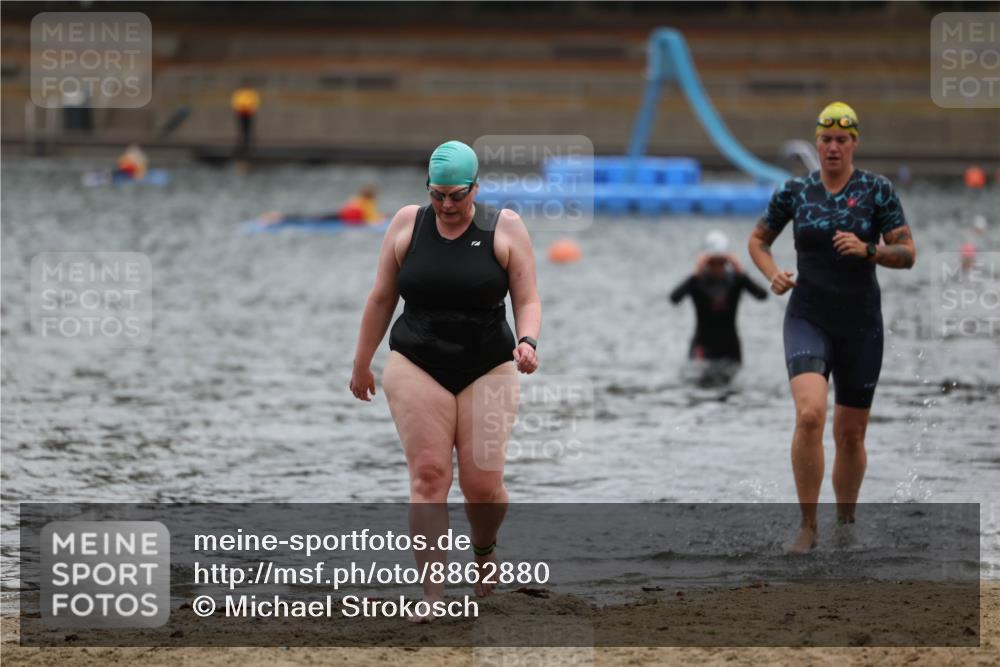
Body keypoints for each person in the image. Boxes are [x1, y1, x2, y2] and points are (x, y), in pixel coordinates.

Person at [349, 140, 541, 619]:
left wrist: (528, 341)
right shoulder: (406, 224)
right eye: (438, 195)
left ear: (476, 188)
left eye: (457, 195)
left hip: (489, 363)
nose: (447, 206)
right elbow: (380, 298)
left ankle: (483, 552)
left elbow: (529, 298)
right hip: (417, 360)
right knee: (430, 476)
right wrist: (361, 361)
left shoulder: (505, 227)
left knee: (483, 486)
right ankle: (433, 597)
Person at [748, 102, 916, 554]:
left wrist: (870, 251)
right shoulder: (796, 191)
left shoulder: (876, 191)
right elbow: (758, 240)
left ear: (854, 143)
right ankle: (808, 527)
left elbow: (908, 253)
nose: (834, 148)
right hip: (807, 315)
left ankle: (845, 522)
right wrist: (772, 274)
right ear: (817, 143)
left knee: (850, 434)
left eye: (842, 140)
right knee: (809, 416)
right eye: (826, 140)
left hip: (861, 323)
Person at [670, 230, 767, 364]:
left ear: (727, 261)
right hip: (702, 346)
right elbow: (674, 299)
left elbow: (762, 295)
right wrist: (694, 274)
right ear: (706, 263)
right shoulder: (697, 281)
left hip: (730, 348)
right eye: (712, 263)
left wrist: (741, 272)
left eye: (721, 262)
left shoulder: (736, 280)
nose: (717, 267)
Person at [230, 84, 260, 156]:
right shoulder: (239, 93)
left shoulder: (251, 93)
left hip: (249, 113)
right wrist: (239, 109)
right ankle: (241, 143)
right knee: (242, 128)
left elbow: (255, 103)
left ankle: (248, 143)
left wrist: (251, 109)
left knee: (248, 128)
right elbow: (235, 102)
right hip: (241, 113)